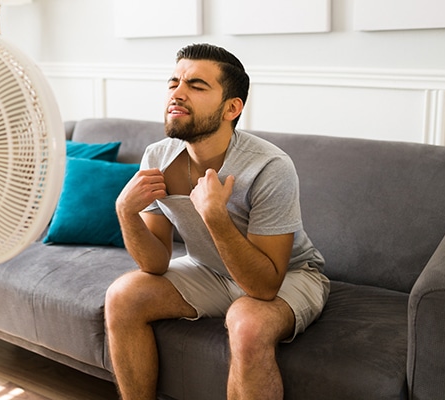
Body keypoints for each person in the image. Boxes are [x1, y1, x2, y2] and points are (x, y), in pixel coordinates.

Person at [104, 43, 330, 400]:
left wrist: (215, 217)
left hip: (289, 275)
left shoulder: (270, 166)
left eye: (196, 86)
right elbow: (155, 263)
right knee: (122, 296)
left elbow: (264, 287)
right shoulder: (157, 156)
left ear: (232, 108)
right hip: (208, 269)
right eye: (173, 82)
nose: (177, 93)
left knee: (248, 324)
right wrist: (126, 213)